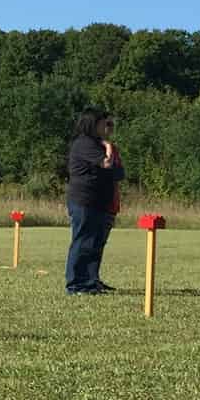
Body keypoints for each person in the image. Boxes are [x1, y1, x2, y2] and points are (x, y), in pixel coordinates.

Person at [64, 108, 123, 295]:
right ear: (93, 123)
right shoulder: (84, 143)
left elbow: (119, 173)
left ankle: (91, 280)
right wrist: (108, 148)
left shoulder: (97, 144)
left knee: (96, 244)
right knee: (82, 242)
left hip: (100, 202)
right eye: (105, 123)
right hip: (84, 201)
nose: (108, 127)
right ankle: (75, 284)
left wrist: (108, 151)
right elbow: (107, 164)